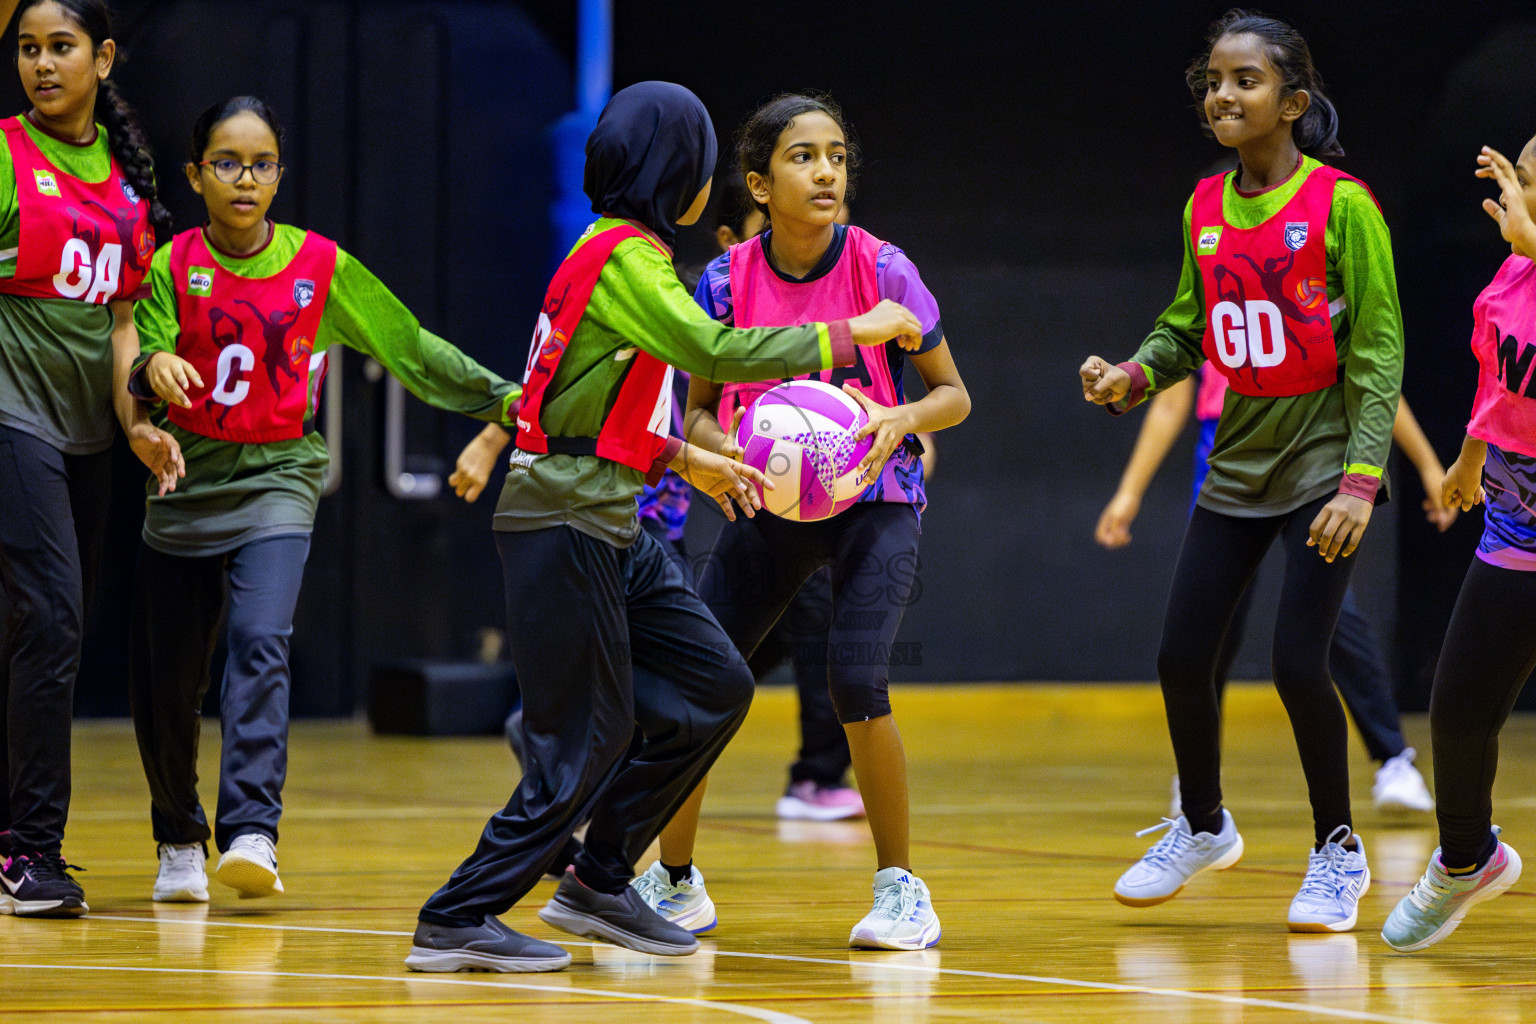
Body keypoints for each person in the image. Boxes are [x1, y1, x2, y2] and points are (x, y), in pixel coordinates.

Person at [407, 81, 925, 974]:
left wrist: (691, 460)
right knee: (593, 736)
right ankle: (460, 913)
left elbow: (599, 399)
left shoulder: (623, 255)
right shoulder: (627, 261)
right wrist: (851, 334)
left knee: (716, 681)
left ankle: (603, 877)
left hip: (610, 511)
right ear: (676, 173)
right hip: (566, 515)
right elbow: (716, 355)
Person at [121, 96, 521, 905]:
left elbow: (411, 349)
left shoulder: (320, 268)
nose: (245, 178)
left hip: (279, 478)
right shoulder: (170, 265)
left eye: (261, 163)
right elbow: (145, 347)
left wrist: (507, 402)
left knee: (261, 637)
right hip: (186, 485)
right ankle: (177, 834)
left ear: (279, 175)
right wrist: (151, 372)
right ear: (197, 175)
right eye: (226, 163)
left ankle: (252, 831)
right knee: (165, 683)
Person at [1080, 9, 1404, 933]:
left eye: (1246, 81)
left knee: (1299, 662)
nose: (1224, 94)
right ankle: (1204, 823)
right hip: (1237, 463)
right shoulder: (1204, 206)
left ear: (1293, 102)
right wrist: (1135, 374)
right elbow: (1189, 326)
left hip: (1321, 464)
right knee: (1183, 656)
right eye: (1214, 80)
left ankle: (1338, 853)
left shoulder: (1342, 205)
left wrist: (1359, 479)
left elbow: (1379, 350)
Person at [635, 92, 970, 951]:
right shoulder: (722, 279)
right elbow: (698, 411)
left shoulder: (884, 267)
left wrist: (901, 421)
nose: (826, 171)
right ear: (759, 180)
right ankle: (674, 883)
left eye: (837, 156)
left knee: (856, 684)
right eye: (803, 156)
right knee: (694, 687)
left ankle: (903, 891)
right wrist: (725, 448)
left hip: (875, 503)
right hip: (767, 503)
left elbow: (954, 396)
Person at [0, 0, 182, 919]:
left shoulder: (126, 187)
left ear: (102, 58)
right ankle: (29, 851)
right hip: (9, 421)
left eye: (60, 47)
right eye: (28, 49)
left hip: (86, 438)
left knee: (30, 634)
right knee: (57, 621)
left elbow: (122, 333)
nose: (41, 64)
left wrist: (139, 423)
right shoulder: (3, 154)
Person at [1095, 369, 1445, 813]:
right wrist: (1129, 493)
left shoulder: (1318, 302)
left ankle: (1394, 760)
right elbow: (1168, 400)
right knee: (1208, 627)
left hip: (1308, 453)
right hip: (1226, 460)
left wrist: (1429, 464)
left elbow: (1376, 382)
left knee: (1331, 616)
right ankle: (1197, 777)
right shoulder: (1209, 302)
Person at [1380, 136, 1536, 951]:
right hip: (1517, 532)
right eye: (1522, 179)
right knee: (1457, 709)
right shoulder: (1511, 279)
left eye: (1529, 186)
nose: (1514, 196)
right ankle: (1467, 859)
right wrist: (1469, 460)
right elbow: (1496, 382)